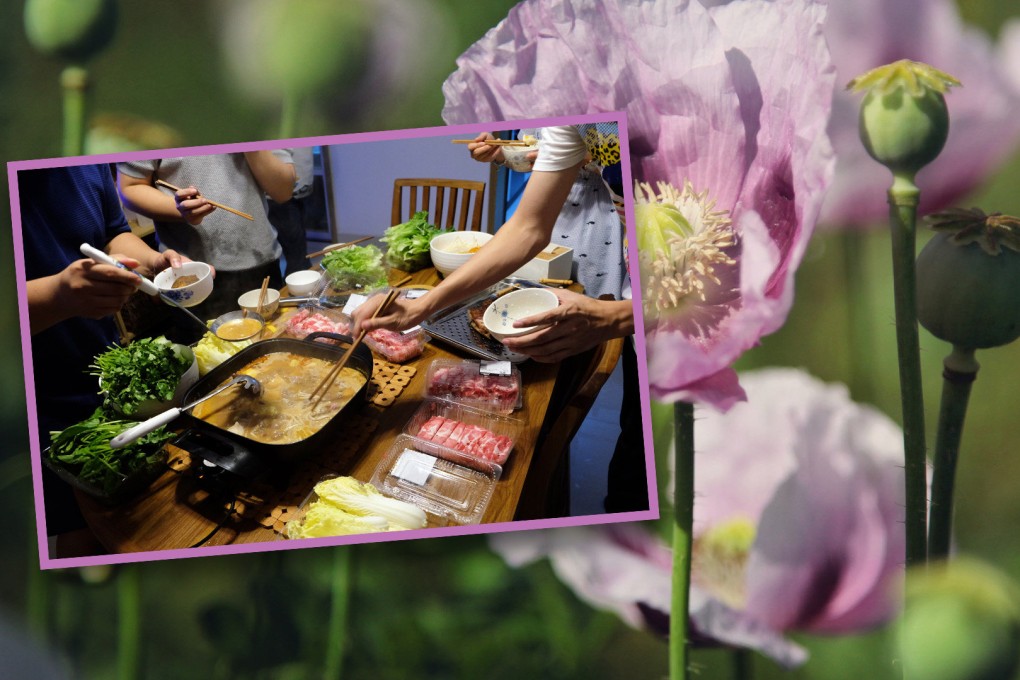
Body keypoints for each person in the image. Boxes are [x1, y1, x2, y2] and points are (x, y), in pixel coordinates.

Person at [354, 124, 648, 512]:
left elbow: (740, 279)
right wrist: (422, 306)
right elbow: (527, 227)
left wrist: (619, 316)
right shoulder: (575, 116)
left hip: (714, 324)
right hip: (649, 299)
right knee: (638, 453)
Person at [20, 163, 185, 536]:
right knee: (66, 531)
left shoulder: (84, 159)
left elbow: (113, 233)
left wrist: (154, 262)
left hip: (100, 371)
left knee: (132, 517)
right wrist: (58, 296)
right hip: (30, 409)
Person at [117, 151, 295, 319]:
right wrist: (179, 210)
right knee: (207, 348)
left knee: (273, 340)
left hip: (262, 259)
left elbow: (284, 191)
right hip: (191, 273)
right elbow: (130, 187)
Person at [267, 146, 314, 276]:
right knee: (297, 258)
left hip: (300, 190)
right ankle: (298, 291)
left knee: (300, 251)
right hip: (279, 196)